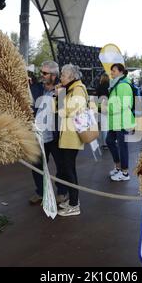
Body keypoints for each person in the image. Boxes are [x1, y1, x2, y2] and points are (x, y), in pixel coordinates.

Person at [29, 61, 68, 205]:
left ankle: (62, 192)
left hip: (55, 135)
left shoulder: (62, 89)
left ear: (54, 75)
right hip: (38, 135)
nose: (42, 76)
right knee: (36, 164)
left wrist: (60, 96)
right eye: (41, 72)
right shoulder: (36, 87)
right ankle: (41, 191)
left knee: (61, 165)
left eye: (45, 73)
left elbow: (65, 111)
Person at [56, 64, 88, 217]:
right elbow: (57, 109)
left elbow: (67, 111)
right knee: (68, 169)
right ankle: (73, 201)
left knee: (70, 171)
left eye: (63, 75)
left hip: (72, 137)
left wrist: (60, 95)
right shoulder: (70, 89)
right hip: (68, 136)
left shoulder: (78, 90)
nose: (60, 77)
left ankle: (75, 205)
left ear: (71, 77)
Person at [106, 63, 135, 182]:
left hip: (122, 121)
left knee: (122, 146)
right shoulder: (117, 83)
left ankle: (125, 172)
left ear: (121, 72)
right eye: (111, 71)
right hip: (117, 120)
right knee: (109, 141)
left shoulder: (123, 85)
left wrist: (108, 108)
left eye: (113, 71)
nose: (111, 73)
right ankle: (118, 167)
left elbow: (124, 103)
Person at [96, 73, 110, 149]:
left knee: (103, 126)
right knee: (108, 125)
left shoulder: (99, 86)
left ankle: (104, 143)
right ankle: (109, 142)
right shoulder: (109, 87)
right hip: (108, 106)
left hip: (101, 107)